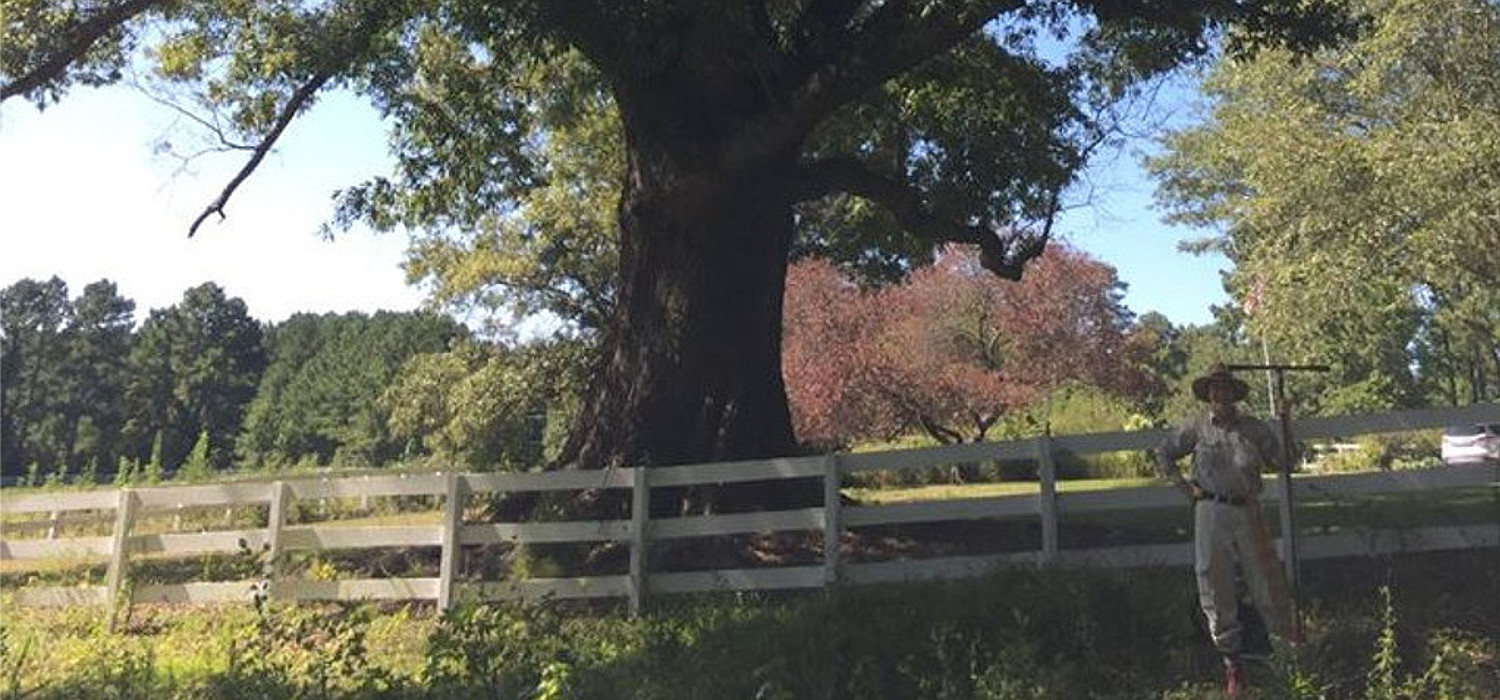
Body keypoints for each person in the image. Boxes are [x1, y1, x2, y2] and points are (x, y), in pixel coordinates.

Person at [1155, 363, 1299, 696]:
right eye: (1214, 389)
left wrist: (1285, 423)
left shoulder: (1254, 428)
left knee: (1264, 577)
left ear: (1235, 393)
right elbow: (1164, 452)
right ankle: (1232, 664)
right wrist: (1184, 489)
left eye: (1226, 388)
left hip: (1247, 508)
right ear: (1208, 394)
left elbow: (1285, 462)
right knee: (1214, 580)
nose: (1220, 394)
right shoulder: (1197, 427)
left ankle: (1285, 654)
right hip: (1209, 509)